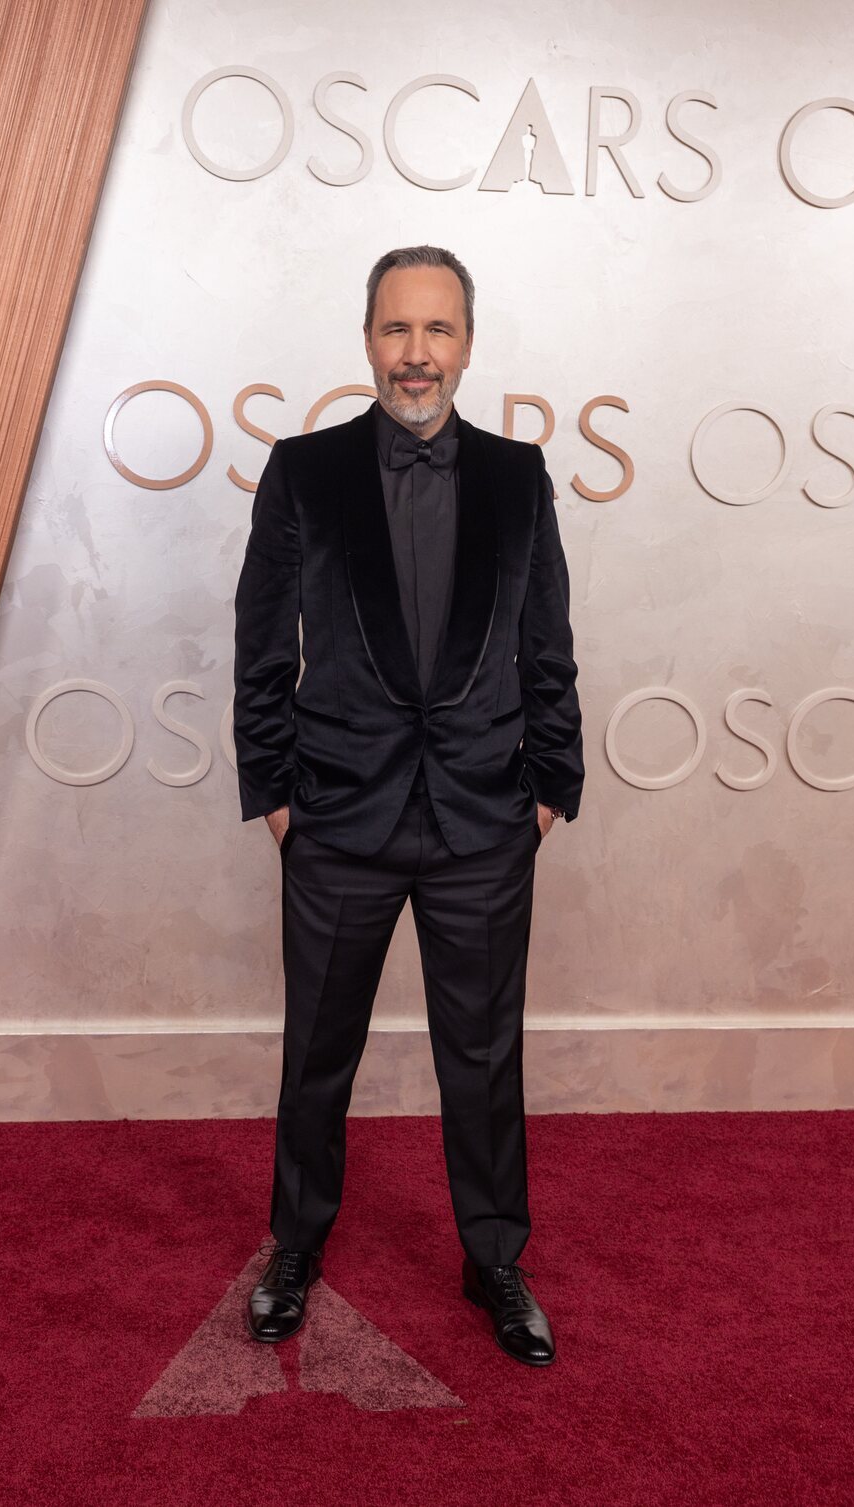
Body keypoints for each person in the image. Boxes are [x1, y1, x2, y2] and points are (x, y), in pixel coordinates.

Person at [232, 245, 584, 1367]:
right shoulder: (303, 471)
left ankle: (494, 1261)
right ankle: (295, 1246)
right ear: (368, 340)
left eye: (437, 331)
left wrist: (549, 790)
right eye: (397, 330)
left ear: (468, 344)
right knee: (315, 1052)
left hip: (486, 821)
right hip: (338, 816)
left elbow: (549, 646)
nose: (417, 354)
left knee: (483, 1056)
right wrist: (279, 797)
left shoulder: (521, 479)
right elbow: (257, 645)